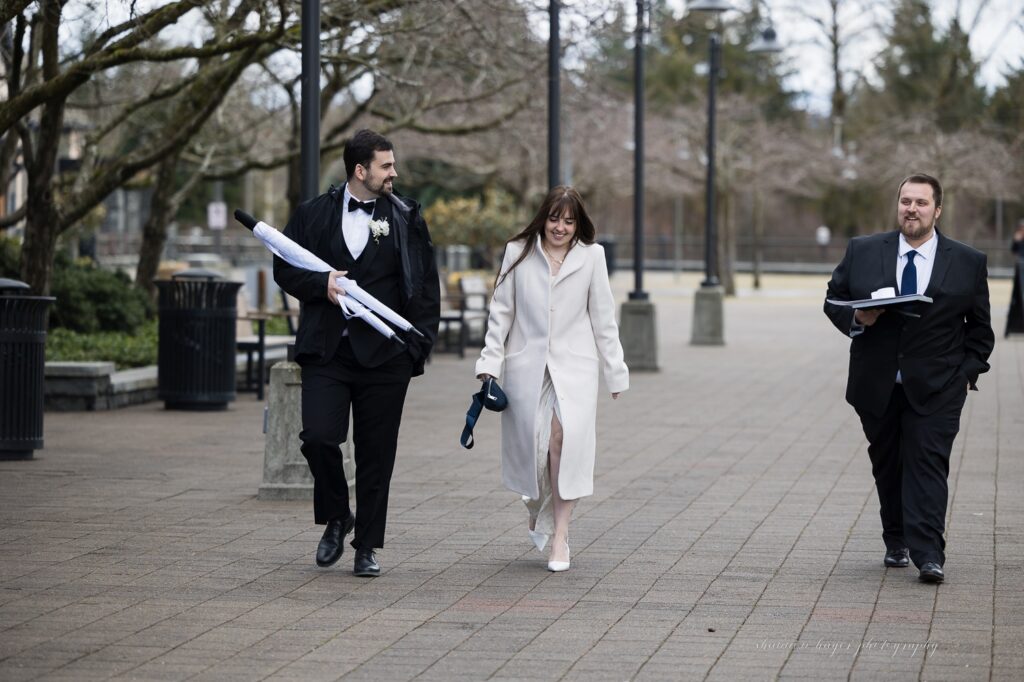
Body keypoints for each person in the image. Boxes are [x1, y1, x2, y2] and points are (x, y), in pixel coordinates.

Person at [273, 129, 440, 577]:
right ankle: (336, 516)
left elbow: (425, 284)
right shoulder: (312, 214)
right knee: (319, 438)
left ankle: (366, 546)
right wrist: (320, 286)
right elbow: (283, 267)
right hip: (327, 351)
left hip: (386, 357)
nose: (394, 173)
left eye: (393, 165)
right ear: (360, 170)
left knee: (376, 454)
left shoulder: (405, 216)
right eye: (386, 166)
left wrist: (417, 344)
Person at [824, 173, 994, 584]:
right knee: (889, 466)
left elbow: (981, 330)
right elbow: (833, 299)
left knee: (927, 464)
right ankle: (896, 540)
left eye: (920, 202)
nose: (911, 209)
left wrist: (964, 375)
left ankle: (929, 553)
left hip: (938, 387)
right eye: (905, 201)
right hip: (876, 384)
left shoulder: (968, 261)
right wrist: (858, 318)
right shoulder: (863, 250)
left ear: (937, 209)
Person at [475, 185, 629, 572]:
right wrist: (489, 363)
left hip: (574, 368)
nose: (560, 227)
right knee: (533, 448)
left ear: (579, 225)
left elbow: (603, 318)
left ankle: (559, 536)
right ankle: (536, 507)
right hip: (527, 367)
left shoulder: (592, 257)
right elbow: (501, 314)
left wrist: (615, 372)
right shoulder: (518, 252)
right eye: (554, 218)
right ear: (543, 217)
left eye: (569, 221)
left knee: (563, 442)